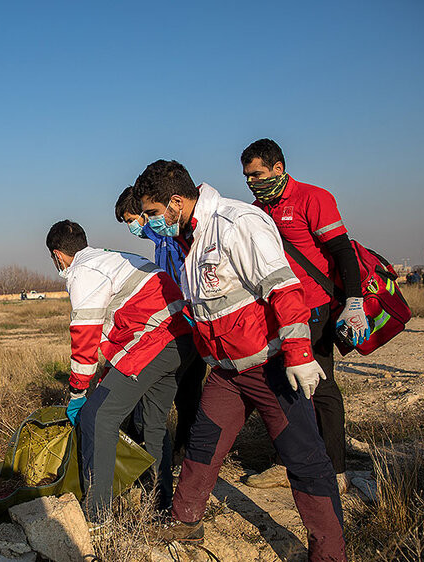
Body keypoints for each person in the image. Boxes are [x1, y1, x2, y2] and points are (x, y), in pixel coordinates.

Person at [134, 160, 345, 561]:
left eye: (152, 213)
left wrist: (299, 354)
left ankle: (330, 551)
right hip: (226, 373)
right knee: (202, 446)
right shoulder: (189, 237)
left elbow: (284, 288)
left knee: (305, 460)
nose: (149, 222)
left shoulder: (237, 223)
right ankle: (185, 520)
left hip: (269, 367)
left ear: (176, 202)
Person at [239, 139, 365, 493]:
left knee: (321, 385)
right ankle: (288, 461)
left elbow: (342, 250)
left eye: (257, 174)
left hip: (314, 307)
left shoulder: (313, 198)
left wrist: (353, 301)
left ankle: (336, 469)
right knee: (283, 384)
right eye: (247, 176)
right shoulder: (256, 210)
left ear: (278, 168)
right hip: (277, 310)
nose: (252, 182)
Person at [48, 220, 192, 519]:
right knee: (152, 423)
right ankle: (162, 502)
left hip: (154, 342)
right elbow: (119, 326)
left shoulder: (83, 272)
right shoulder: (109, 258)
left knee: (98, 415)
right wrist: (103, 378)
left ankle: (97, 515)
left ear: (57, 254)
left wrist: (78, 393)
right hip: (182, 340)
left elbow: (85, 335)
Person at [114, 185, 206, 457]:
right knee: (180, 391)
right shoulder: (161, 240)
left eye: (133, 220)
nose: (133, 227)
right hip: (175, 322)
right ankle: (179, 448)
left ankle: (188, 450)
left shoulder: (177, 237)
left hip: (189, 323)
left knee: (186, 392)